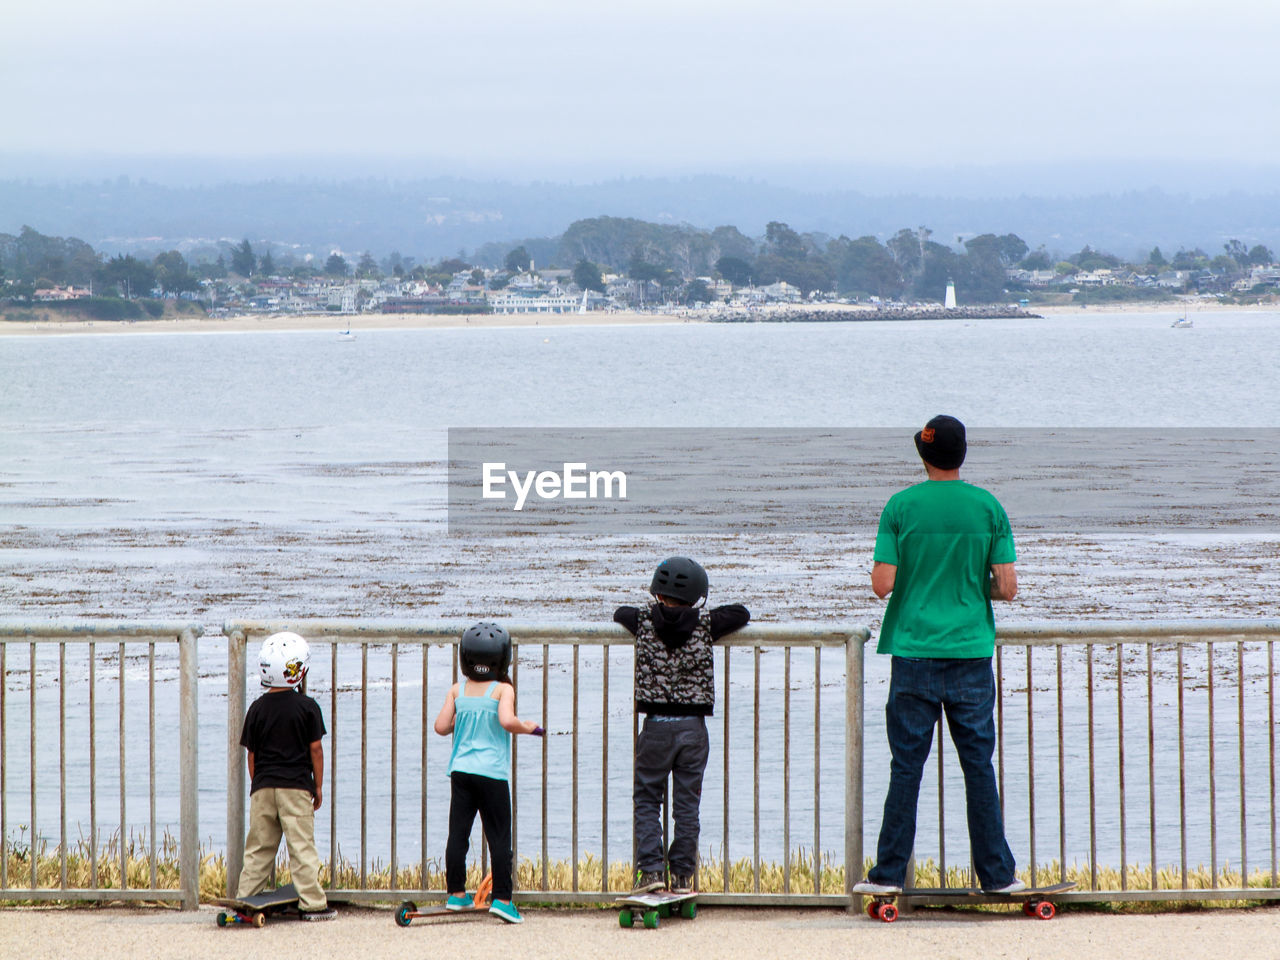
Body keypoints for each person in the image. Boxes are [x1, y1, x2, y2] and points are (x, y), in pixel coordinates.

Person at [853, 415, 1025, 897]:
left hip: (913, 653)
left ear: (923, 456)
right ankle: (997, 876)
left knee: (906, 768)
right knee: (978, 768)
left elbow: (882, 583)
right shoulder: (988, 507)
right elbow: (1007, 587)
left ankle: (887, 876)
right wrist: (972, 584)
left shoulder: (900, 507)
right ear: (962, 454)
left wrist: (918, 577)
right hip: (970, 653)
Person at [614, 556, 750, 895]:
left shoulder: (641, 620)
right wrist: (700, 613)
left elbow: (620, 612)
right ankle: (683, 876)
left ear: (657, 593)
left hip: (656, 725)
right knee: (686, 805)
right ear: (698, 596)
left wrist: (654, 611)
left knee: (647, 799)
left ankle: (650, 872)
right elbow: (740, 613)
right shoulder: (707, 623)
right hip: (693, 727)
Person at [433, 622, 544, 924]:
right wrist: (530, 727)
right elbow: (507, 721)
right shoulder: (503, 689)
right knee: (498, 837)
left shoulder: (458, 690)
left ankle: (456, 893)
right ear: (503, 658)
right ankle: (503, 899)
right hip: (492, 774)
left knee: (458, 834)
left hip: (461, 773)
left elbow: (441, 727)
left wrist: (465, 718)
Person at [237, 631, 335, 920]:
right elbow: (315, 750)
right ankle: (313, 903)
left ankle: (245, 899)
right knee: (301, 846)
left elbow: (251, 755)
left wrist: (257, 785)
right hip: (296, 787)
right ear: (298, 670)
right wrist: (317, 786)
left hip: (263, 787)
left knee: (258, 848)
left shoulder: (256, 709)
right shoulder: (307, 708)